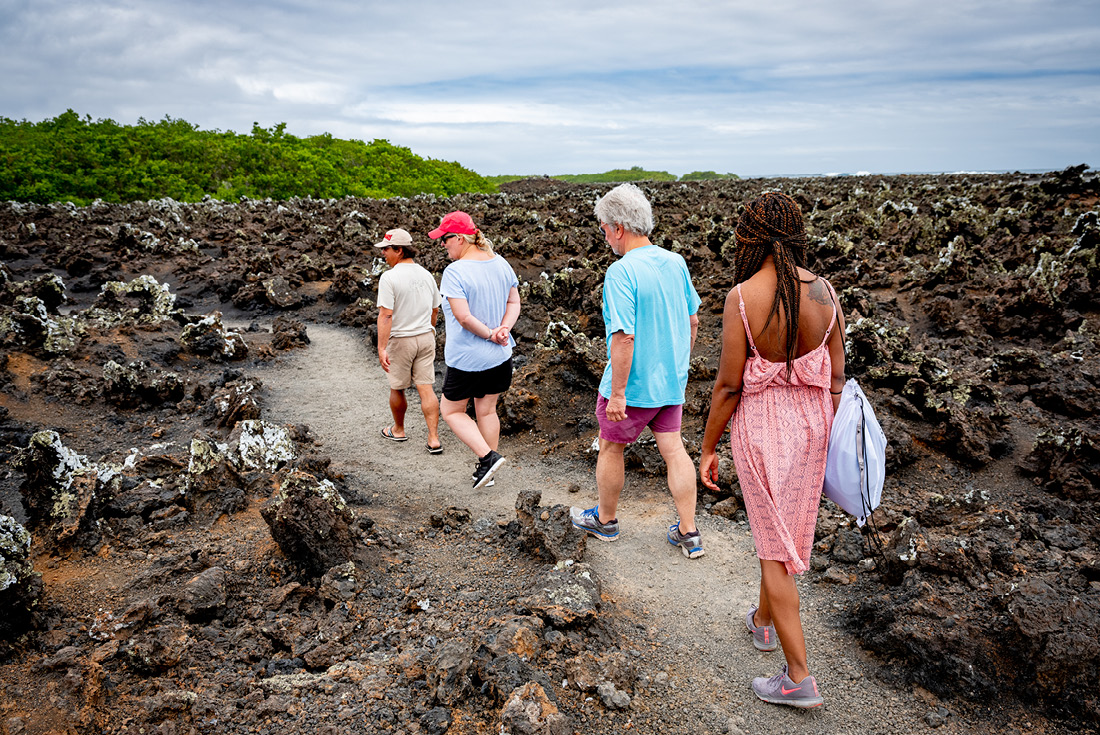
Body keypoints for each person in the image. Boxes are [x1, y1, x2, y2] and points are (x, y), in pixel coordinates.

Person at [698, 191, 846, 709]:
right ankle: (763, 623)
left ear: (749, 236)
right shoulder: (825, 291)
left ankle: (799, 677)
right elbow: (838, 377)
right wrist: (825, 426)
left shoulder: (742, 297)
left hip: (761, 428)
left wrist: (708, 446)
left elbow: (728, 386)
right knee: (782, 533)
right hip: (814, 427)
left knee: (774, 551)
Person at [569, 183, 704, 558]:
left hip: (634, 386)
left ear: (617, 227)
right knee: (674, 450)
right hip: (670, 382)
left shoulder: (620, 271)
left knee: (611, 447)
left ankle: (606, 521)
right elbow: (693, 321)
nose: (604, 236)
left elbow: (624, 337)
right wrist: (679, 365)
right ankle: (689, 532)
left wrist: (618, 392)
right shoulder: (675, 262)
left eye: (603, 228)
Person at [430, 211, 521, 488]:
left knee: (452, 411)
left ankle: (487, 458)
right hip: (500, 356)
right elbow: (514, 303)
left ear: (459, 238)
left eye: (444, 239)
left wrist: (490, 334)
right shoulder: (501, 262)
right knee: (487, 410)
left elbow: (464, 317)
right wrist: (503, 329)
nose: (442, 245)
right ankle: (488, 470)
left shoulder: (455, 272)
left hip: (468, 359)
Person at [375, 228, 444, 454]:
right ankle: (433, 438)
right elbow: (435, 309)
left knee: (397, 387)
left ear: (399, 249)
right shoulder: (426, 275)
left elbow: (386, 315)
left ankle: (398, 429)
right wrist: (430, 330)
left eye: (386, 249)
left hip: (401, 339)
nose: (383, 253)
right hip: (425, 337)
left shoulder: (390, 277)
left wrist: (381, 347)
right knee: (426, 388)